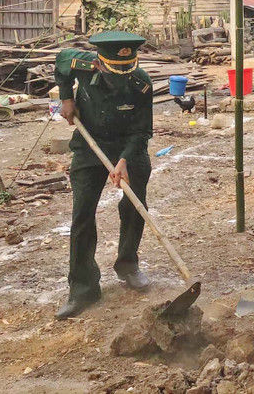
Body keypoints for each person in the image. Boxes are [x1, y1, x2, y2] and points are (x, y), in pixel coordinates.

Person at [54, 31, 154, 320]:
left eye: (127, 70)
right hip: (89, 145)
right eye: (116, 72)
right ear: (99, 63)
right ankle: (83, 288)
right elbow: (60, 65)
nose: (122, 77)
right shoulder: (79, 63)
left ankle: (128, 265)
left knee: (135, 205)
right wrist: (66, 98)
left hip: (128, 148)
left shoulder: (140, 83)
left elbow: (142, 131)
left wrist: (123, 160)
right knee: (82, 213)